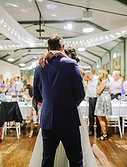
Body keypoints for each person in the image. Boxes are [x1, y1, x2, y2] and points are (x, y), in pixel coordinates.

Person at [33, 35, 85, 167]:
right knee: (75, 159)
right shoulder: (72, 64)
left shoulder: (40, 67)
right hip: (68, 118)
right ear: (63, 47)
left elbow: (37, 96)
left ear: (48, 48)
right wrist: (71, 104)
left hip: (48, 118)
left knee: (47, 159)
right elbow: (80, 94)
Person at [95, 70, 111, 140]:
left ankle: (104, 134)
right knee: (104, 117)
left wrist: (97, 86)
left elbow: (98, 92)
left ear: (103, 74)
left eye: (99, 73)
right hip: (106, 99)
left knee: (100, 117)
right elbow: (110, 92)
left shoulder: (103, 82)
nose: (98, 75)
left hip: (102, 100)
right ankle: (106, 133)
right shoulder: (108, 81)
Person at [85, 70, 101, 138]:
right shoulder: (89, 81)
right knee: (90, 115)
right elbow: (88, 89)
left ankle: (98, 132)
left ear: (88, 75)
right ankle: (91, 131)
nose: (85, 78)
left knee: (97, 116)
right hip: (90, 99)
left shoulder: (97, 79)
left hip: (96, 99)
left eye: (86, 76)